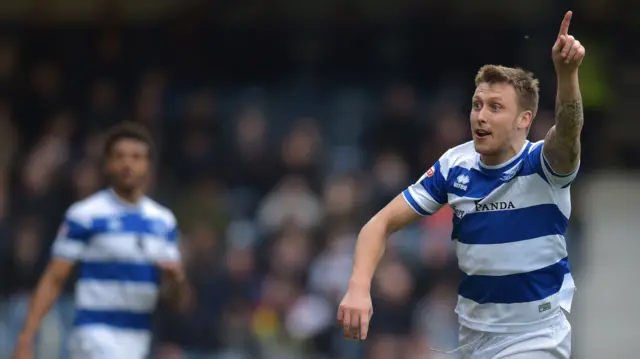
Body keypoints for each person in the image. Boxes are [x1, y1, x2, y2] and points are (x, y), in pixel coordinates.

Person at [338, 11, 585, 359]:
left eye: (495, 107)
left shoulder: (543, 163)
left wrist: (567, 72)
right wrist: (358, 289)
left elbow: (569, 129)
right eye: (477, 105)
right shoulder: (455, 165)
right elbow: (379, 225)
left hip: (537, 337)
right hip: (472, 338)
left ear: (523, 120)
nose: (480, 115)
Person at [11, 122, 191, 359]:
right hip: (93, 336)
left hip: (138, 339)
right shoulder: (86, 215)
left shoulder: (163, 222)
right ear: (108, 164)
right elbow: (54, 278)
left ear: (148, 166)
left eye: (136, 157)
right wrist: (26, 338)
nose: (128, 164)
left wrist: (177, 281)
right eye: (120, 157)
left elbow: (178, 302)